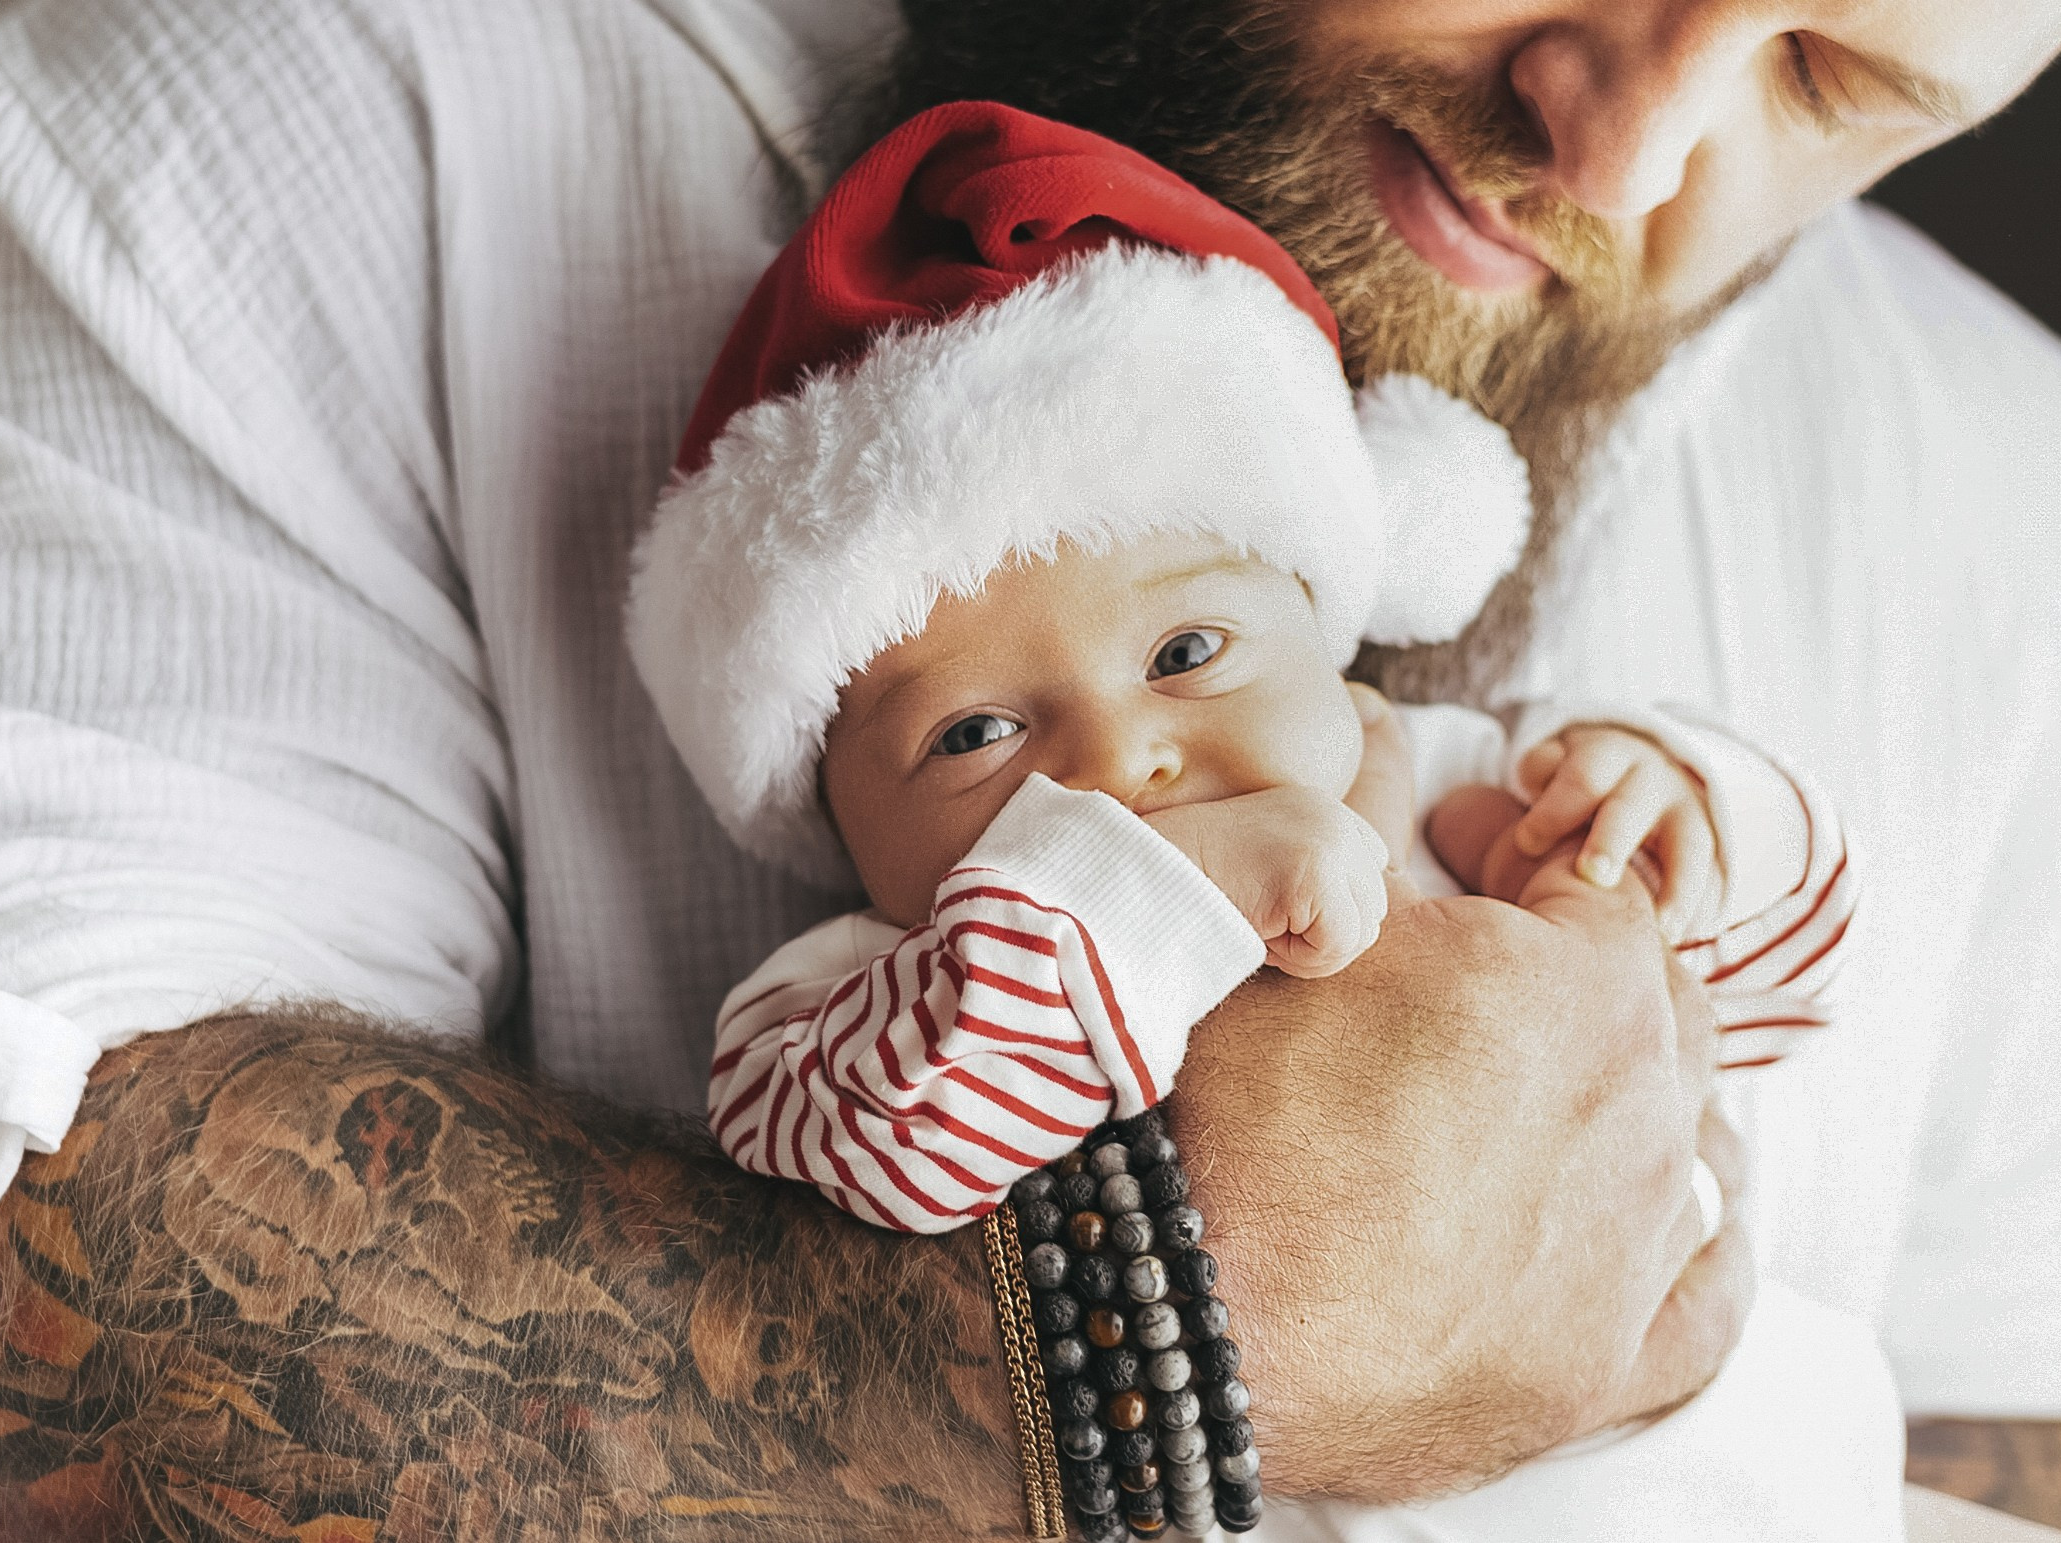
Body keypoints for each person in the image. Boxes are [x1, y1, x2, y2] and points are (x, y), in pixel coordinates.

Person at [0, 2, 2061, 1542]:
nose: (1627, 137)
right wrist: (1136, 1342)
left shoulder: (1984, 476)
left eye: (1823, 74)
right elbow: (36, 1245)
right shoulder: (299, 94)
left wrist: (1709, 1407)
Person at [629, 103, 1853, 1244]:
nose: (1111, 760)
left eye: (1184, 653)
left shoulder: (1458, 789)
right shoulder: (849, 1008)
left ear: (1326, 638)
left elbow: (1775, 996)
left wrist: (1665, 826)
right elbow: (886, 1150)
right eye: (972, 733)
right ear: (835, 818)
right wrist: (1167, 899)